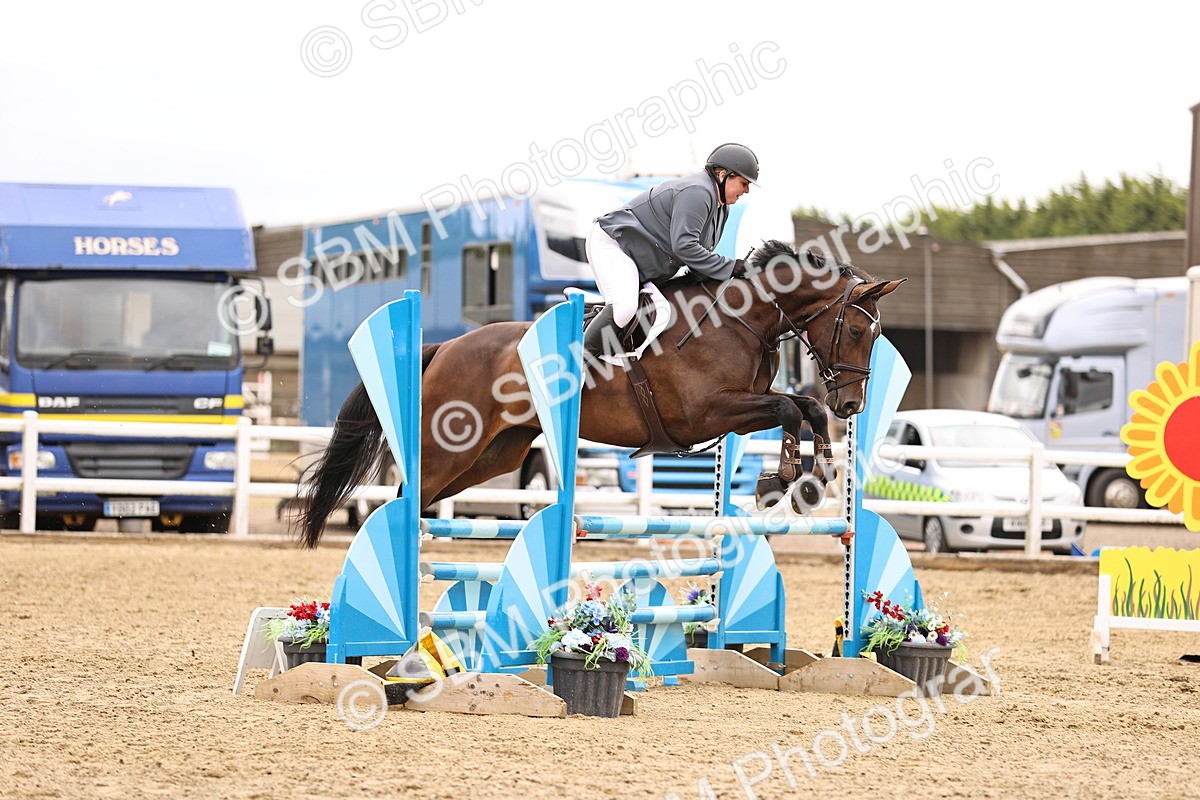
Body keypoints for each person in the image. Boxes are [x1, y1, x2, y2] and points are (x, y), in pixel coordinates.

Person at [582, 142, 760, 361]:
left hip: (638, 257)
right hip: (614, 244)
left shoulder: (722, 207)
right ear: (723, 175)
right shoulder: (698, 192)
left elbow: (700, 256)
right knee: (625, 308)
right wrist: (731, 266)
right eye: (743, 183)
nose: (746, 190)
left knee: (667, 308)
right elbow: (684, 246)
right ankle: (575, 364)